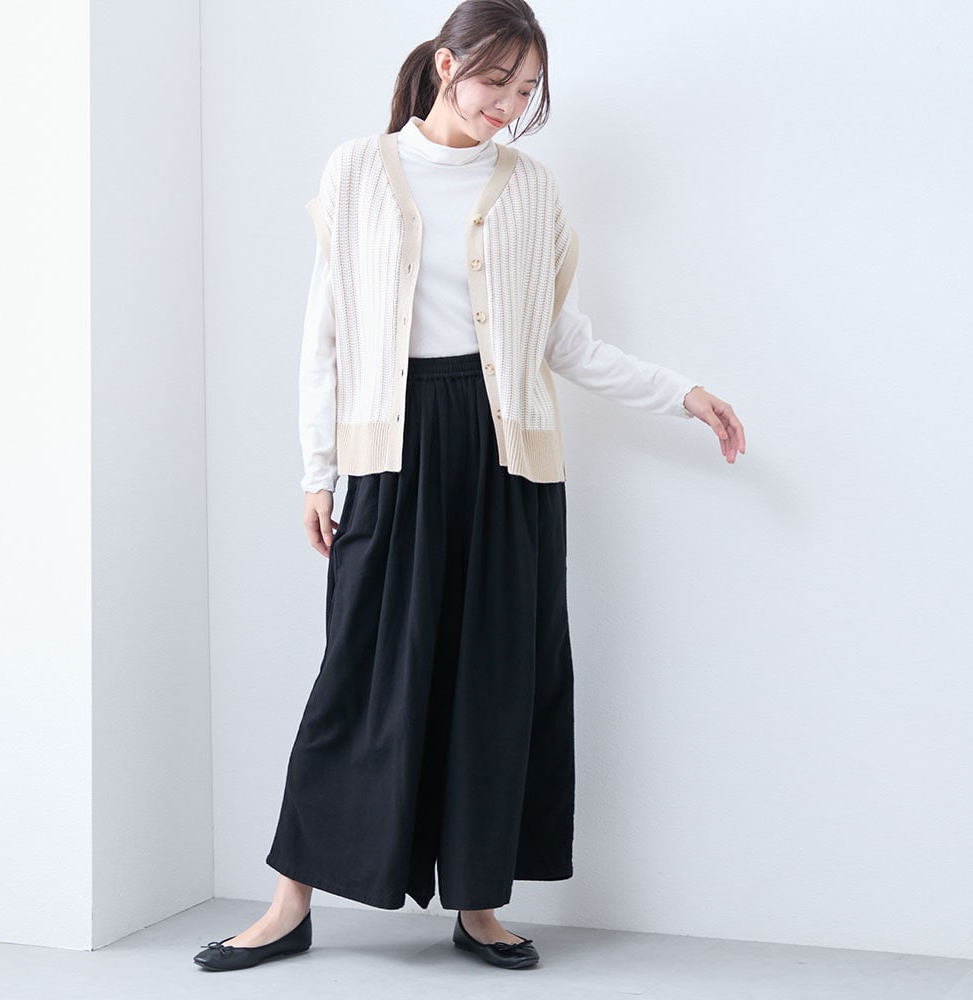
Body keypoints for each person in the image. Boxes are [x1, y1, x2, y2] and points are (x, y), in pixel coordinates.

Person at [193, 0, 745, 975]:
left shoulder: (530, 190)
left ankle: (480, 904)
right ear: (447, 66)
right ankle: (288, 904)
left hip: (506, 462)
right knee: (358, 676)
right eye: (497, 82)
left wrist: (681, 393)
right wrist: (317, 469)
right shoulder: (358, 169)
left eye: (527, 91)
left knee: (497, 680)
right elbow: (324, 333)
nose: (510, 105)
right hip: (390, 451)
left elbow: (562, 341)